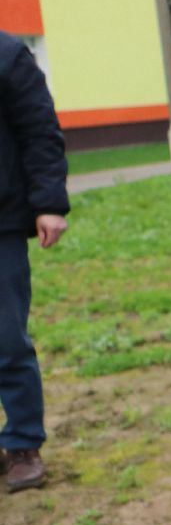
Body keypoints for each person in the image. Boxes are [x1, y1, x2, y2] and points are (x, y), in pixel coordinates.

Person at [0, 32, 68, 493]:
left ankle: (23, 444)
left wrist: (48, 203)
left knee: (6, 340)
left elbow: (39, 130)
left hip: (1, 223)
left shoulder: (7, 55)